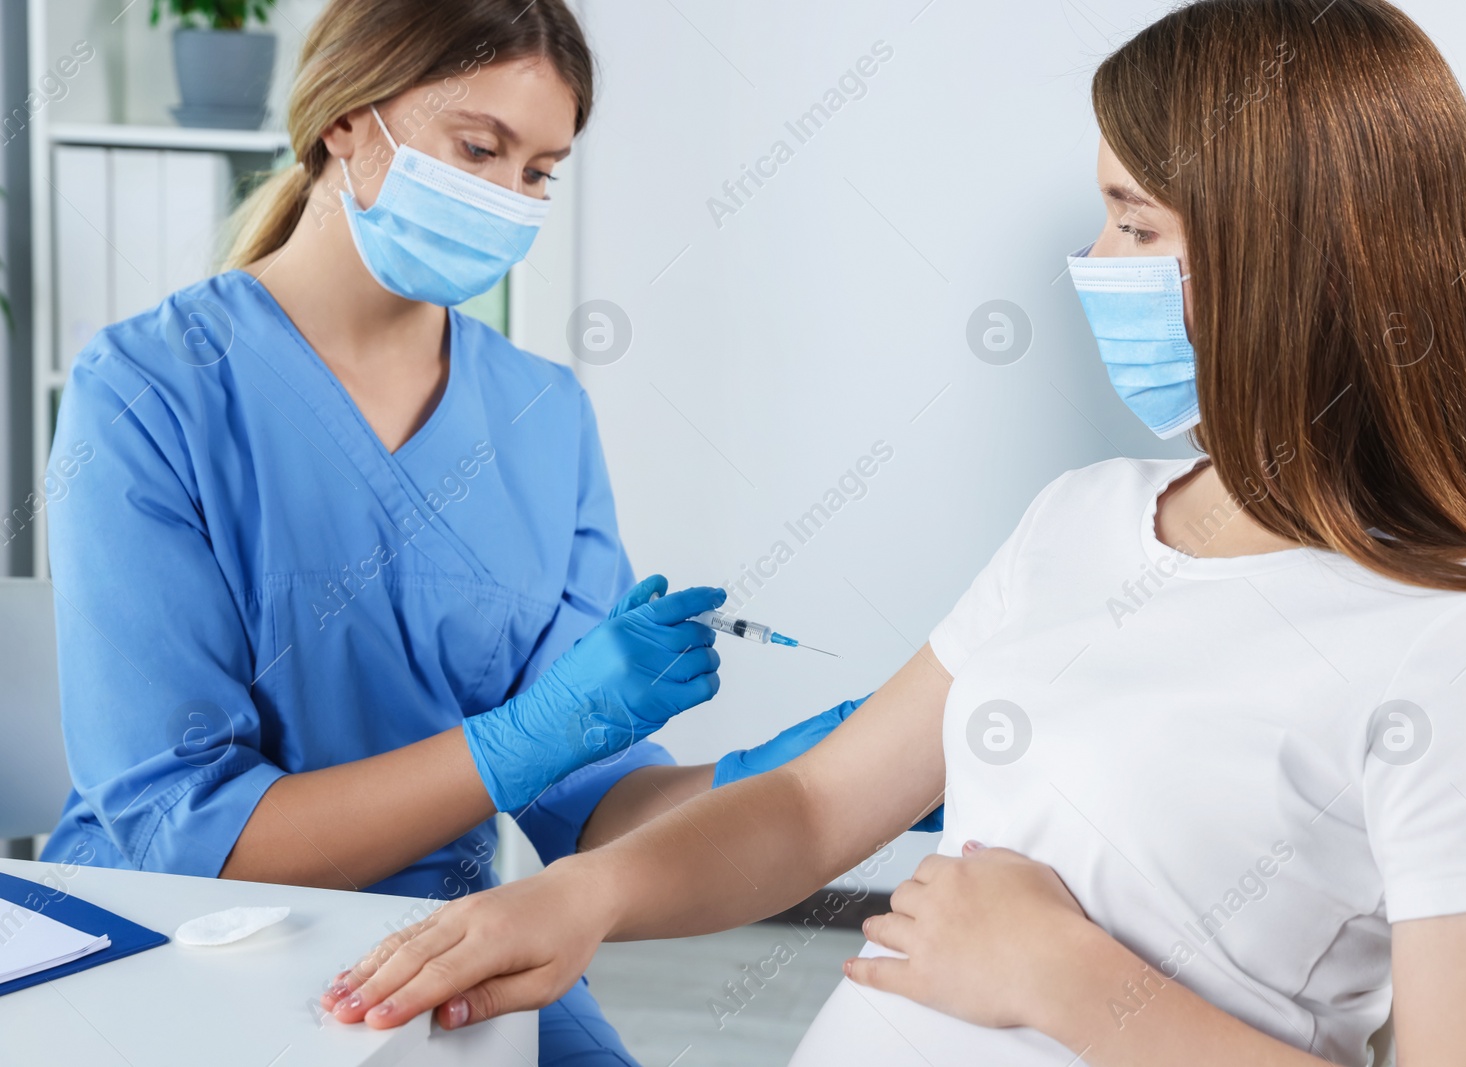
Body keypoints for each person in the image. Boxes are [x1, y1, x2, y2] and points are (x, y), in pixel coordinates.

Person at [319, 1, 1466, 1064]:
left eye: (1138, 224)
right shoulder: (1090, 515)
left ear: (1297, 261)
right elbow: (819, 804)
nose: (1095, 257)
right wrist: (585, 894)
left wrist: (1067, 977)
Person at [39, 2, 900, 1063]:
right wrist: (528, 732)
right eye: (478, 148)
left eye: (538, 171)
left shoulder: (542, 415)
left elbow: (588, 807)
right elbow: (191, 834)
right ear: (347, 122)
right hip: (185, 937)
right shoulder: (147, 391)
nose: (506, 198)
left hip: (444, 938)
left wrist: (810, 774)